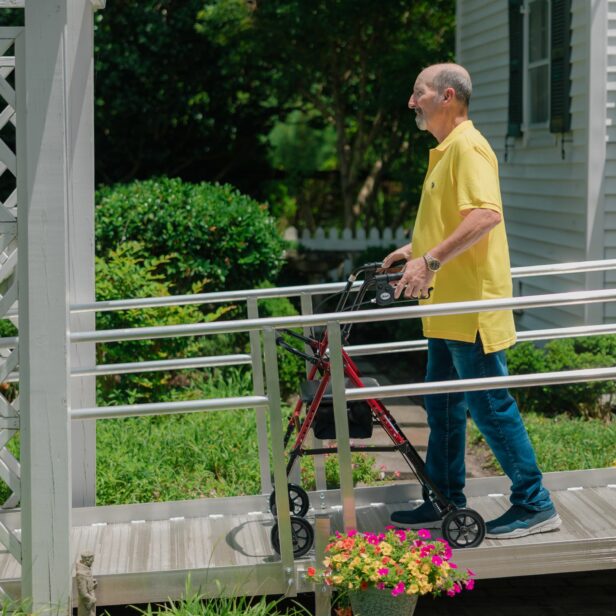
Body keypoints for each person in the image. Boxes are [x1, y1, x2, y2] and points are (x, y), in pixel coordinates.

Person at [381, 63, 561, 539]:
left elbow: (484, 216)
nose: (411, 102)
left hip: (471, 309)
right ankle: (444, 499)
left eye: (417, 92)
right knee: (440, 407)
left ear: (446, 96)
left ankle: (534, 503)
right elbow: (451, 222)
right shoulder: (445, 152)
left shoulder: (469, 146)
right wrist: (413, 251)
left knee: (489, 406)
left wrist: (430, 262)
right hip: (445, 309)